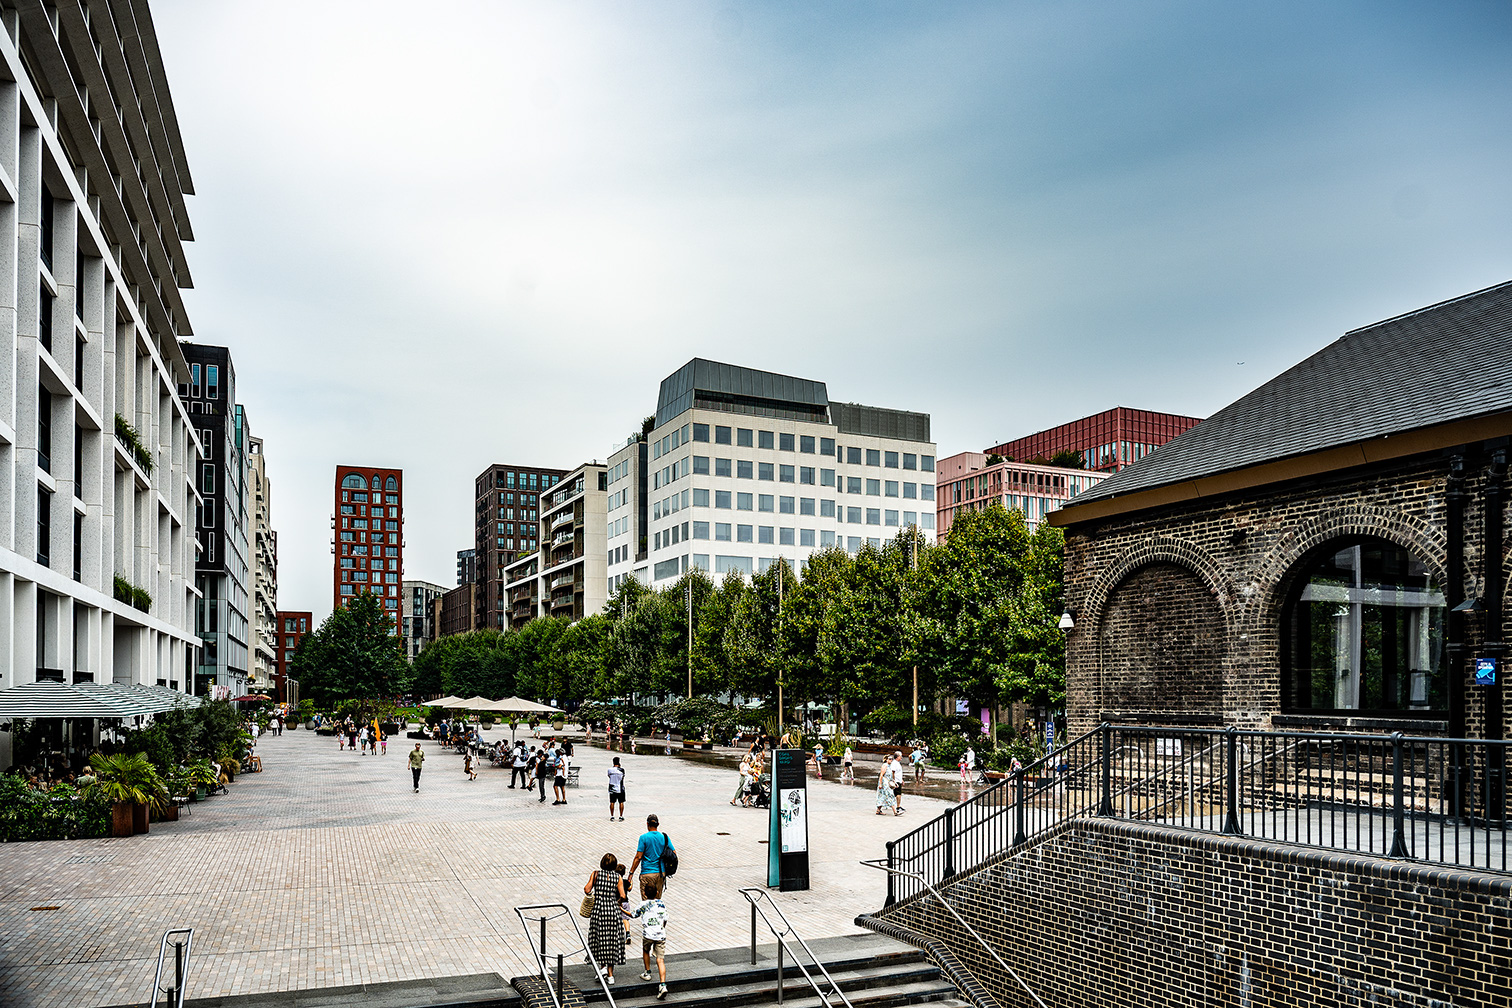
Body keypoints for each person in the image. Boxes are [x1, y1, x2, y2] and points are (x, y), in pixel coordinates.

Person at [584, 853, 628, 984]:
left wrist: (593, 894)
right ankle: (610, 975)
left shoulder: (596, 874)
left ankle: (602, 968)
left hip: (599, 910)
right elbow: (623, 895)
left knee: (600, 939)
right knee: (611, 941)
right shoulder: (618, 877)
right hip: (613, 911)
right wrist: (617, 902)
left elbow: (587, 889)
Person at [628, 874, 671, 1000]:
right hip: (660, 934)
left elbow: (633, 914)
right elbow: (665, 919)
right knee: (660, 959)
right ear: (657, 892)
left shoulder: (643, 904)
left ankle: (647, 972)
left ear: (645, 894)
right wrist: (662, 927)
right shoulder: (661, 904)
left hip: (648, 934)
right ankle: (662, 984)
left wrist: (621, 909)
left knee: (646, 950)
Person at [629, 814, 675, 898]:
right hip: (660, 873)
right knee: (657, 901)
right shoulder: (664, 837)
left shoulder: (644, 838)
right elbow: (673, 853)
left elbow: (638, 857)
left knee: (646, 903)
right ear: (658, 824)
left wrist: (631, 873)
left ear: (647, 824)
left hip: (647, 873)